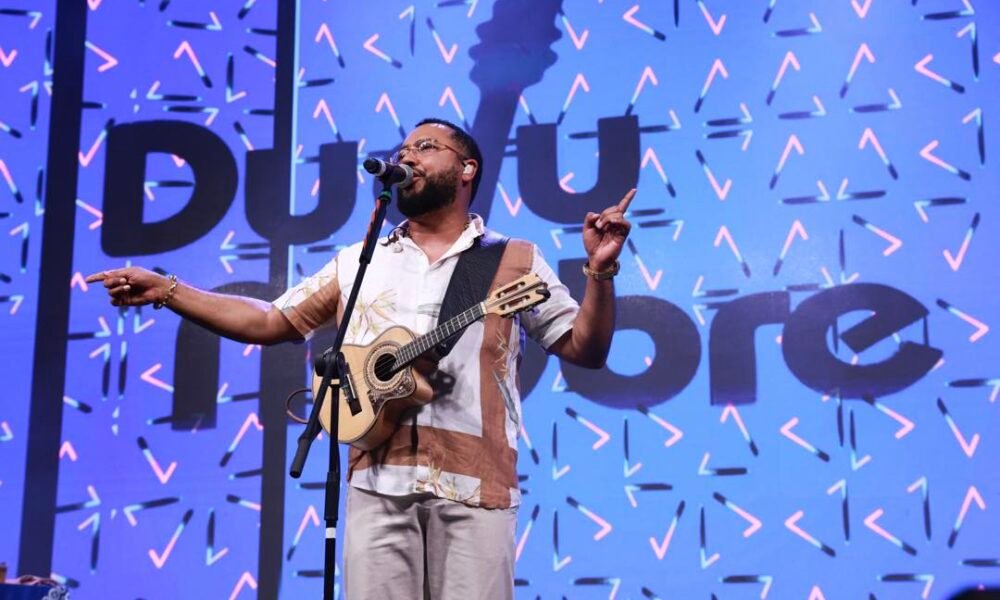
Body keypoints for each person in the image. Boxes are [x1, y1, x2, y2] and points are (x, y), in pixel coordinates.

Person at [87, 118, 634, 599]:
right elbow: (271, 320)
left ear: (467, 169)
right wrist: (169, 291)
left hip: (476, 489)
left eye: (425, 147)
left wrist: (601, 272)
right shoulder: (359, 260)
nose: (407, 156)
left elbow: (584, 348)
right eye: (403, 150)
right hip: (376, 483)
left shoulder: (513, 259)